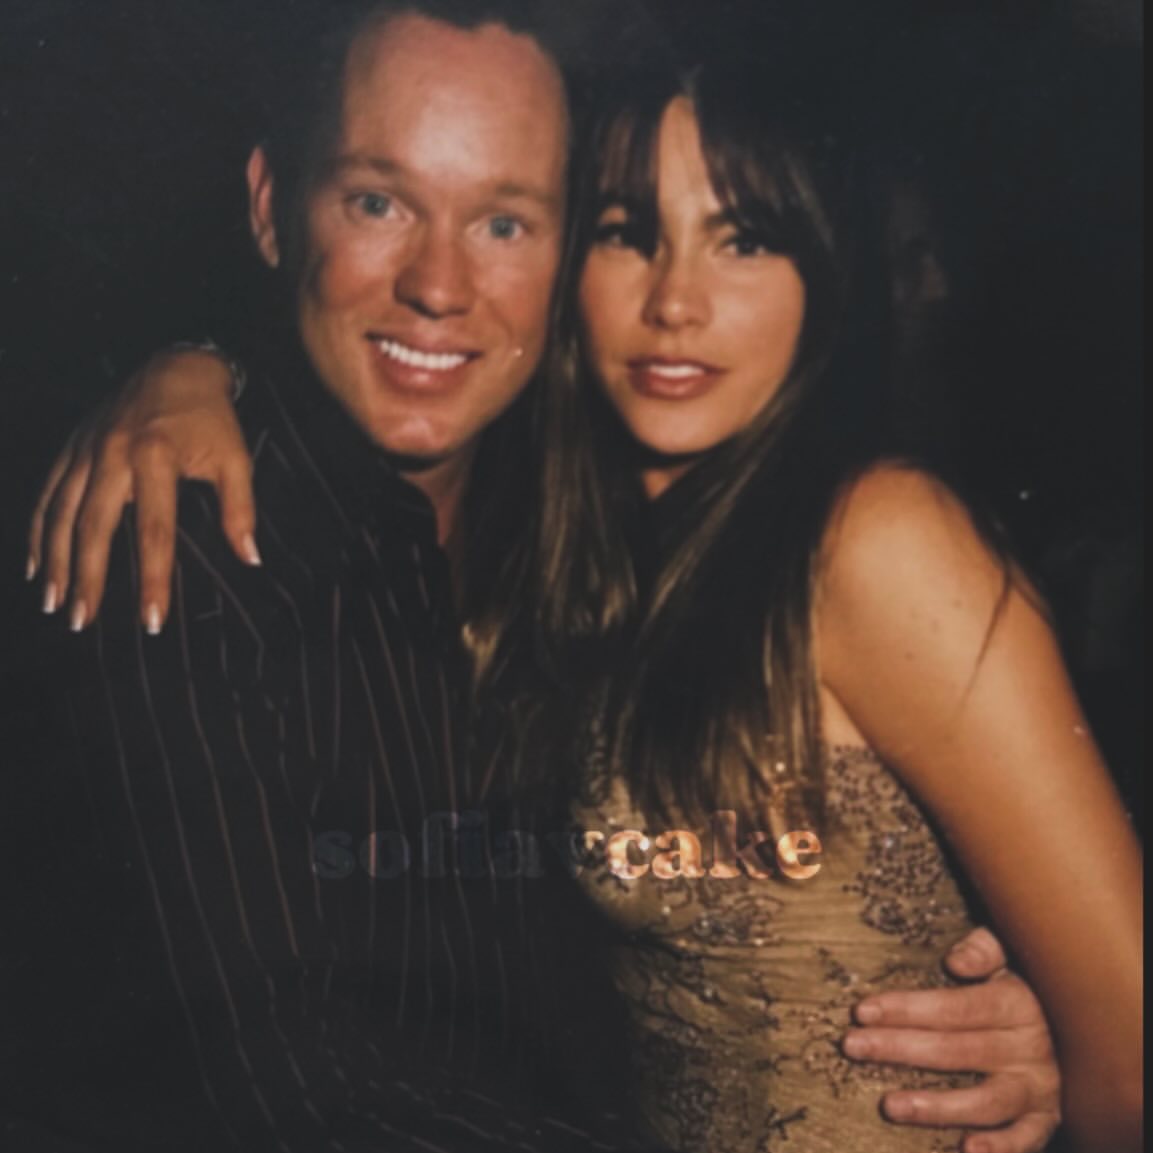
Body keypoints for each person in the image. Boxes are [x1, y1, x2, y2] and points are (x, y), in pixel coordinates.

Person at [19, 6, 1070, 1153]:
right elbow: (302, 1092)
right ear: (272, 207)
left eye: (504, 223)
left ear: (562, 256)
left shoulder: (583, 539)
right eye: (377, 202)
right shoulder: (184, 546)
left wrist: (1026, 1027)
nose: (438, 283)